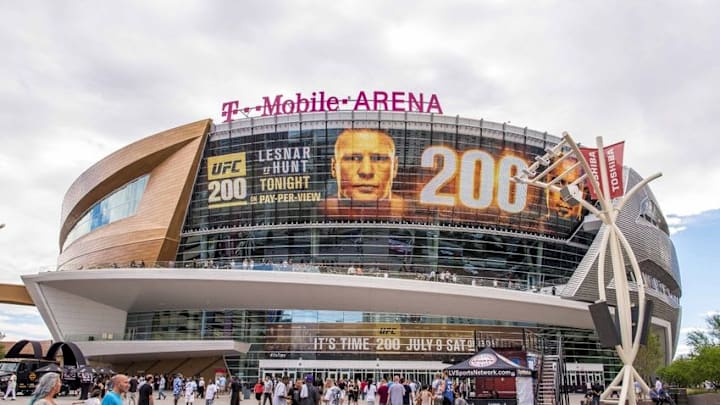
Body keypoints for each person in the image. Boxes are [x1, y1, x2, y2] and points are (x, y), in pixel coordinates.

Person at [322, 129, 405, 218]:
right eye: (353, 158)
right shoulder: (317, 211)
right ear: (333, 167)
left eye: (378, 159)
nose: (366, 171)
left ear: (395, 167)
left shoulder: (412, 212)